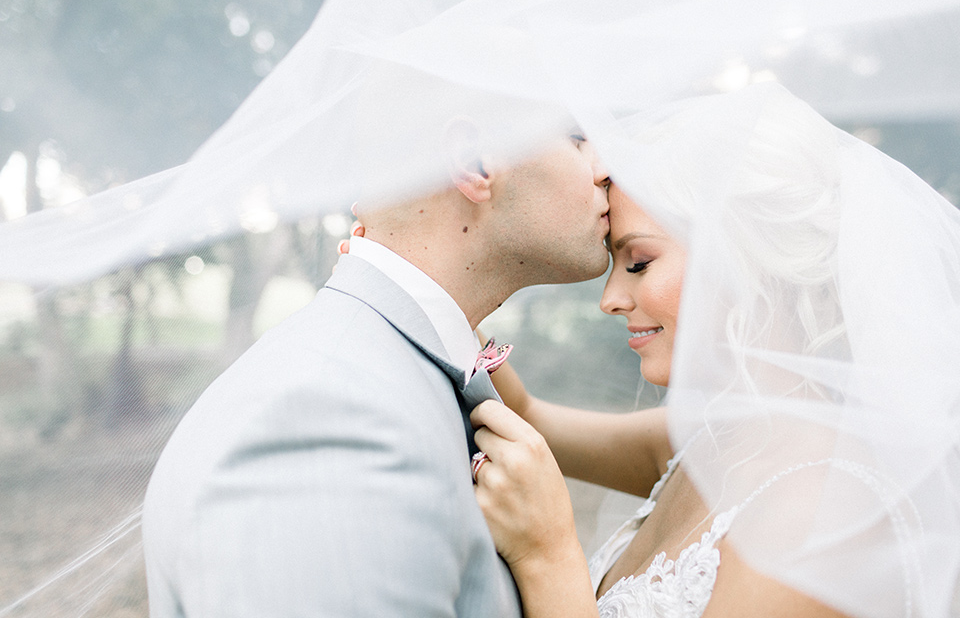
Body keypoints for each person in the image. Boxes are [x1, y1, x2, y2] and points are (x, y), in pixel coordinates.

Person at [464, 84, 960, 617]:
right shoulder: (716, 434)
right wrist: (438, 286)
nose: (609, 299)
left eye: (637, 263)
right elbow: (530, 417)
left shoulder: (824, 515)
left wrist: (547, 556)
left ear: (744, 259)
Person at [140, 130, 612, 617]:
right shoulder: (329, 426)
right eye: (576, 137)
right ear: (474, 161)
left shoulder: (385, 372)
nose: (605, 168)